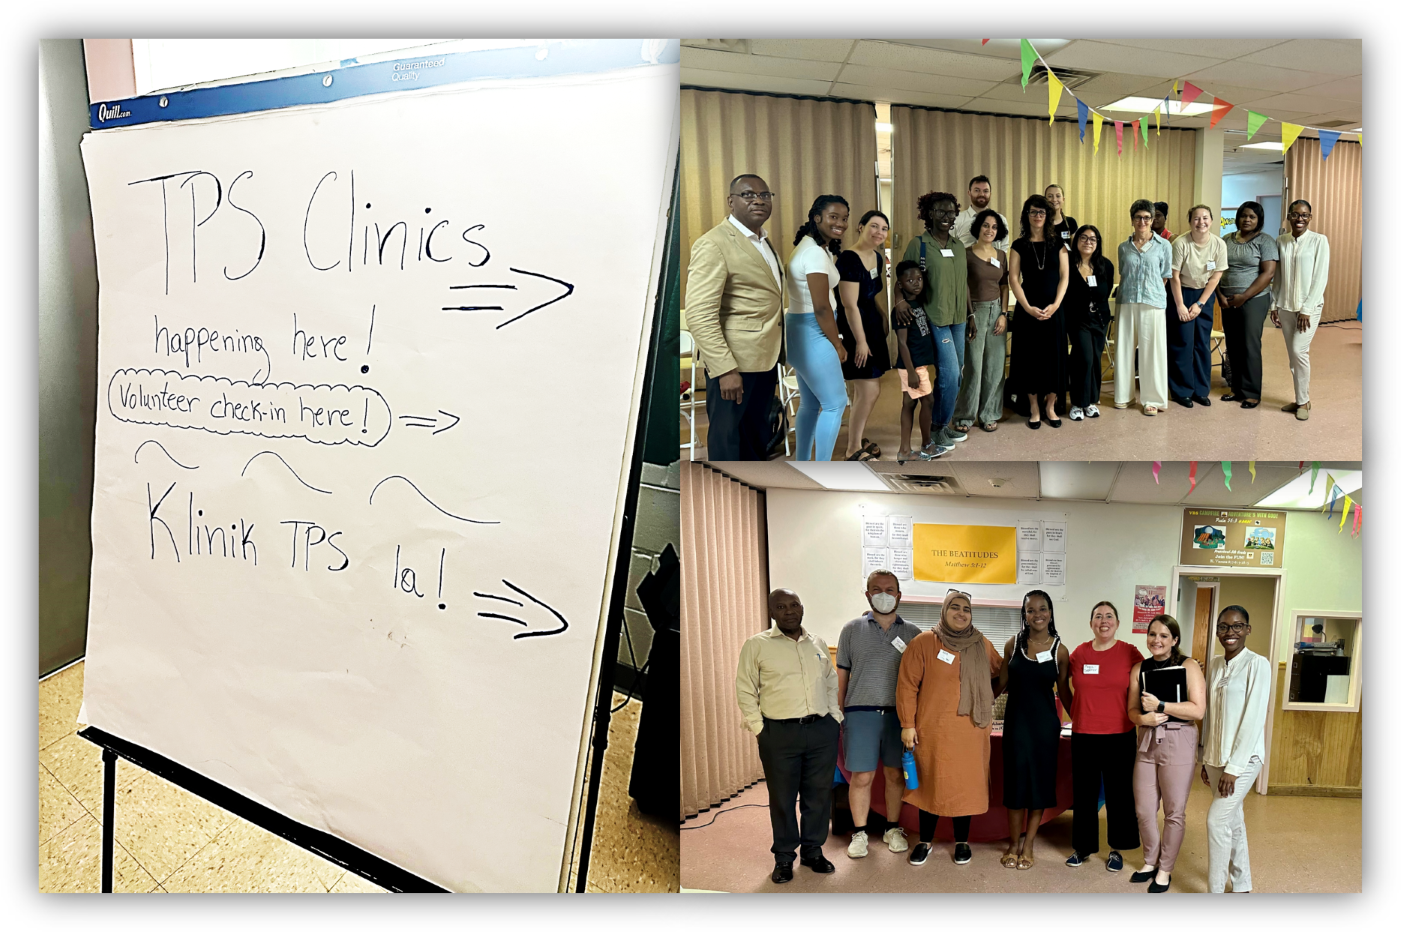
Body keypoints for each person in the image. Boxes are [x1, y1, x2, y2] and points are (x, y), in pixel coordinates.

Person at [735, 587, 843, 884]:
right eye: (781, 607)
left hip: (821, 730)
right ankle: (784, 857)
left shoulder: (817, 643)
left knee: (818, 794)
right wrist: (759, 729)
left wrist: (834, 716)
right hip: (779, 733)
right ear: (772, 613)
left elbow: (831, 682)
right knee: (782, 798)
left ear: (802, 606)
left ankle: (813, 851)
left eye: (794, 604)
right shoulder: (756, 645)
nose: (790, 610)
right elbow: (745, 689)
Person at [897, 590, 1003, 866]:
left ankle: (962, 842)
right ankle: (925, 841)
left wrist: (986, 697)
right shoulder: (923, 643)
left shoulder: (982, 644)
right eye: (954, 607)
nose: (960, 613)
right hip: (933, 730)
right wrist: (907, 724)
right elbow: (907, 685)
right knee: (932, 782)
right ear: (944, 611)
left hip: (971, 730)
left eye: (966, 609)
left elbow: (1000, 671)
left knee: (963, 785)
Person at [685, 174, 785, 460]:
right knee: (728, 443)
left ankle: (752, 492)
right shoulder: (714, 244)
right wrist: (725, 369)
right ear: (731, 201)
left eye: (765, 195)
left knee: (756, 438)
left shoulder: (762, 241)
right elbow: (699, 313)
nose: (758, 200)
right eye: (748, 194)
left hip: (764, 359)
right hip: (734, 365)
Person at [836, 571, 921, 858]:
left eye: (889, 589)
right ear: (868, 594)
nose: (883, 594)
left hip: (900, 716)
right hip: (860, 714)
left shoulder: (913, 634)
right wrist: (840, 712)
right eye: (876, 589)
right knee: (861, 776)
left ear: (899, 595)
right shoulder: (851, 630)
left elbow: (921, 681)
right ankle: (859, 833)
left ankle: (892, 828)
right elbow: (842, 675)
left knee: (895, 774)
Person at [1127, 614, 1205, 894]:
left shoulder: (1189, 665)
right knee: (1144, 809)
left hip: (1179, 739)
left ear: (1174, 640)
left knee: (1174, 811)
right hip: (1147, 740)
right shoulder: (1139, 668)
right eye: (1152, 634)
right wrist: (1142, 719)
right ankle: (1150, 861)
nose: (1156, 640)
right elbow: (1132, 711)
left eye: (1163, 635)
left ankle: (1165, 868)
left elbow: (1197, 710)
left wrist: (1161, 705)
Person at [1064, 601, 1142, 871]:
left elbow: (1152, 675)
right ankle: (1082, 847)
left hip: (1120, 735)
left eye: (1109, 616)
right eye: (1098, 616)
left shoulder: (1129, 653)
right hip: (1084, 733)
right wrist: (1075, 712)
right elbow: (1063, 684)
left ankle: (1117, 850)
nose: (1104, 620)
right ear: (1091, 623)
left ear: (1118, 623)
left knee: (1118, 793)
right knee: (1084, 794)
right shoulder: (1079, 654)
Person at [1198, 606, 1271, 893]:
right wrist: (1207, 759)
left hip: (1243, 761)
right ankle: (1242, 885)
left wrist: (1233, 768)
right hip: (1216, 759)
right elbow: (1211, 715)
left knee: (1216, 821)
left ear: (1248, 630)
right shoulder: (1216, 664)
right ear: (1216, 631)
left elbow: (1253, 719)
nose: (1231, 633)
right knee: (1234, 821)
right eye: (1224, 627)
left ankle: (1215, 888)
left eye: (1238, 626)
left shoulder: (1258, 664)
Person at [997, 590, 1071, 869]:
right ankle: (1013, 843)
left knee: (1038, 786)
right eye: (1030, 610)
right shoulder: (1012, 645)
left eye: (1042, 609)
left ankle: (1028, 844)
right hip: (1015, 725)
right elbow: (1000, 683)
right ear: (1024, 614)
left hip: (1044, 728)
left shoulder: (1060, 651)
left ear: (1051, 613)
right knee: (1016, 785)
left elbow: (1064, 691)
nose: (1037, 614)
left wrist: (1083, 720)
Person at [896, 191, 970, 451]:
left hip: (959, 318)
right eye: (940, 211)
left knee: (957, 373)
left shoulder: (959, 246)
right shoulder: (920, 245)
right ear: (928, 214)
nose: (947, 217)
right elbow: (902, 279)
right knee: (949, 374)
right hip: (934, 318)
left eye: (951, 212)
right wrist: (899, 302)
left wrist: (970, 315)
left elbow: (964, 283)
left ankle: (942, 423)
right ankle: (938, 428)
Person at [786, 195, 851, 460]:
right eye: (833, 217)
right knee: (835, 404)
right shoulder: (813, 252)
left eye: (844, 218)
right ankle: (821, 470)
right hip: (812, 330)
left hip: (799, 330)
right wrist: (837, 343)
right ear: (817, 218)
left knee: (812, 404)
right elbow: (822, 306)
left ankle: (803, 463)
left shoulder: (813, 246)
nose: (841, 223)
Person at [1007, 195, 1070, 429]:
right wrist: (1026, 307)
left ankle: (1050, 406)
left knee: (1054, 358)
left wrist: (1055, 305)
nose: (1038, 216)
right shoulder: (1019, 245)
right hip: (1028, 310)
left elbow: (1065, 278)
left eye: (1042, 212)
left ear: (1048, 215)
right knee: (1029, 358)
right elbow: (1013, 279)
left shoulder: (1059, 245)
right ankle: (1034, 407)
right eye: (1033, 212)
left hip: (1054, 310)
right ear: (1026, 215)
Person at [836, 211, 892, 461]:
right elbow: (850, 305)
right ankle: (851, 450)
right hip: (854, 327)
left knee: (863, 390)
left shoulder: (877, 258)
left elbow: (871, 296)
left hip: (871, 324)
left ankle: (856, 440)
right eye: (874, 226)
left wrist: (882, 316)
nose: (879, 232)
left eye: (884, 228)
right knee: (869, 390)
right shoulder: (848, 259)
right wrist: (860, 341)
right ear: (860, 227)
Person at [1271, 199, 1331, 421]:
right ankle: (1299, 398)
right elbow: (1278, 276)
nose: (1299, 219)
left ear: (1310, 218)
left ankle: (1304, 400)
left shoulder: (1319, 241)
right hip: (1286, 306)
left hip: (1310, 307)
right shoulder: (1281, 241)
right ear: (1288, 216)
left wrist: (1307, 308)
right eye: (1295, 214)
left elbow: (1320, 277)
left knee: (1299, 351)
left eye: (1304, 215)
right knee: (1292, 356)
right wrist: (1275, 303)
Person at [953, 209, 1010, 433]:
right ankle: (965, 416)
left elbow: (1005, 286)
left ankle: (989, 414)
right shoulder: (965, 254)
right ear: (978, 227)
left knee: (995, 367)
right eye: (986, 225)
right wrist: (969, 316)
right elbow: (963, 286)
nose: (990, 230)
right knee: (974, 368)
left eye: (994, 227)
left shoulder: (1001, 256)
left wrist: (1004, 314)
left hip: (997, 313)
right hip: (973, 312)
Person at [1116, 199, 1174, 415]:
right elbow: (1124, 272)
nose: (1142, 221)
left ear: (1152, 220)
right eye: (1138, 217)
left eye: (1147, 218)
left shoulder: (1164, 246)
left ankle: (1153, 400)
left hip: (1153, 302)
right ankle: (1124, 396)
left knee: (1152, 352)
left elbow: (1165, 276)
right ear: (1132, 220)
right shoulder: (1123, 247)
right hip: (1127, 300)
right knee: (1124, 349)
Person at [1218, 202, 1278, 409]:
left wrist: (1244, 296)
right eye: (1244, 216)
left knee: (1249, 344)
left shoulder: (1265, 241)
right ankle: (1237, 389)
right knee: (1233, 345)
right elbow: (1216, 270)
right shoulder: (1226, 240)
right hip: (1227, 300)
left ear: (1259, 220)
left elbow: (1268, 273)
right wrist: (1219, 295)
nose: (1247, 220)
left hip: (1254, 299)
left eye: (1252, 216)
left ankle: (1252, 393)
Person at [891, 262, 951, 463]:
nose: (916, 284)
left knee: (908, 404)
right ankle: (926, 444)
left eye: (919, 279)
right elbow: (901, 342)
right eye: (909, 281)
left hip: (917, 364)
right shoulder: (903, 310)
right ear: (900, 284)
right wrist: (911, 371)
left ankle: (905, 451)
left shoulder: (918, 303)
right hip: (912, 365)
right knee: (928, 401)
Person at [1168, 205, 1227, 408]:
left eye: (1205, 218)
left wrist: (1200, 303)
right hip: (1181, 293)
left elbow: (1216, 276)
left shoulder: (1219, 244)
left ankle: (1201, 390)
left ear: (1211, 220)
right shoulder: (1180, 243)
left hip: (1204, 295)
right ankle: (1181, 390)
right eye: (1196, 218)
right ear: (1190, 221)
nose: (1201, 222)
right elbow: (1174, 276)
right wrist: (1180, 306)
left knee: (1202, 344)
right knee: (1182, 343)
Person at [1063, 226, 1114, 421]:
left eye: (1093, 239)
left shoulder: (1106, 265)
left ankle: (1091, 400)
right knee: (1083, 357)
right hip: (1077, 319)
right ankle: (1077, 402)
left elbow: (1105, 291)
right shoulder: (1068, 263)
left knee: (1095, 358)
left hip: (1100, 319)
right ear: (1076, 241)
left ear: (1098, 243)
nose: (1088, 242)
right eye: (1083, 238)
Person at [953, 175, 1010, 251]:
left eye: (985, 191)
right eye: (977, 190)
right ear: (969, 193)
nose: (982, 194)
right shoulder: (957, 219)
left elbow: (1004, 248)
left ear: (990, 194)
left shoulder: (1001, 220)